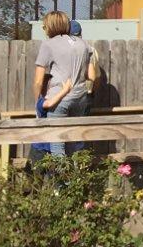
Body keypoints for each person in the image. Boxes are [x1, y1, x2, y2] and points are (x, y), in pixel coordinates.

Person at [33, 10, 99, 160]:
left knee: (57, 145)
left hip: (59, 100)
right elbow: (91, 76)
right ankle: (76, 178)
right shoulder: (83, 44)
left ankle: (62, 182)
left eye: (45, 27)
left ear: (50, 26)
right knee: (74, 143)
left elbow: (38, 80)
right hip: (80, 98)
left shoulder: (48, 45)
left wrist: (39, 101)